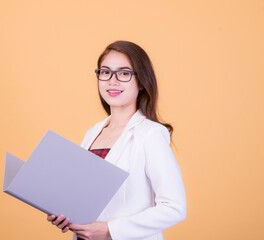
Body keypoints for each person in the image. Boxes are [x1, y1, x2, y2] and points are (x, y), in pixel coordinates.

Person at [47, 40, 187, 240]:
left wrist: (110, 230)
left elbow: (174, 207)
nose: (112, 81)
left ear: (141, 82)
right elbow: (85, 196)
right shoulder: (93, 132)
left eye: (123, 73)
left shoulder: (150, 134)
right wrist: (64, 214)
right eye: (105, 72)